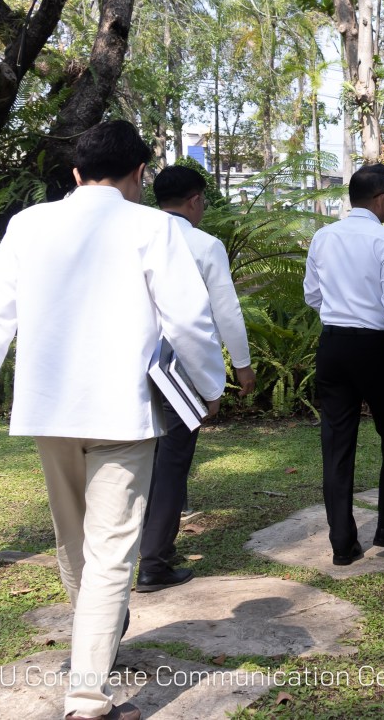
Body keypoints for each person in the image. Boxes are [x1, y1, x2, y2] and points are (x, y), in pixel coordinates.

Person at [0, 121, 226, 720]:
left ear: (76, 174)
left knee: (75, 542)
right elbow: (189, 320)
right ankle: (86, 694)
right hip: (125, 413)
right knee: (110, 551)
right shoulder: (153, 226)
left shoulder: (29, 225)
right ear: (139, 175)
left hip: (50, 412)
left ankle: (91, 655)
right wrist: (210, 387)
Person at [135, 164, 256, 593]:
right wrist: (238, 367)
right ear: (195, 200)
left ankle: (132, 549)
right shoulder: (205, 244)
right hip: (177, 367)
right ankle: (154, 561)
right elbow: (225, 311)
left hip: (128, 361)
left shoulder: (136, 234)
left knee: (135, 459)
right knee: (172, 461)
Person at [304, 163, 384, 565]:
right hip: (373, 348)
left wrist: (340, 312)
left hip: (333, 345)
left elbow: (312, 296)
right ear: (379, 198)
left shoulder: (323, 236)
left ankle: (342, 542)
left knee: (337, 444)